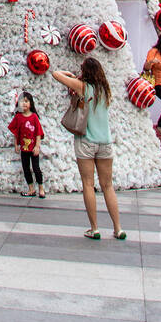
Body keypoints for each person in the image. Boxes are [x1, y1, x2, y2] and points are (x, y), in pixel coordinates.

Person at [52, 57, 126, 241]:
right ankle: (118, 228)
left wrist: (70, 75)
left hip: (86, 141)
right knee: (108, 186)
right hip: (105, 142)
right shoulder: (104, 90)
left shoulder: (83, 87)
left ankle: (94, 228)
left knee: (88, 184)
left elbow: (55, 74)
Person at [8, 90, 45, 197]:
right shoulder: (18, 117)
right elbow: (16, 132)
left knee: (36, 168)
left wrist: (37, 146)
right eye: (22, 101)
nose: (24, 103)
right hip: (24, 149)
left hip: (33, 149)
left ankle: (41, 188)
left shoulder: (34, 117)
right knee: (26, 169)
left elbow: (38, 133)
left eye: (26, 101)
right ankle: (31, 189)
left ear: (30, 104)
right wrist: (16, 144)